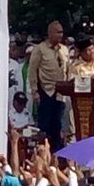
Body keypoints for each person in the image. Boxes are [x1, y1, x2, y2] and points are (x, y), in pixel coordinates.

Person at [28, 21, 69, 151]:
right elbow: (32, 70)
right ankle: (44, 152)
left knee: (58, 125)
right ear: (50, 33)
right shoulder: (40, 49)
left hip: (60, 92)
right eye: (58, 32)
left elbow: (67, 69)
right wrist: (35, 91)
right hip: (45, 91)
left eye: (62, 32)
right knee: (45, 126)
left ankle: (57, 153)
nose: (61, 35)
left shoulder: (64, 49)